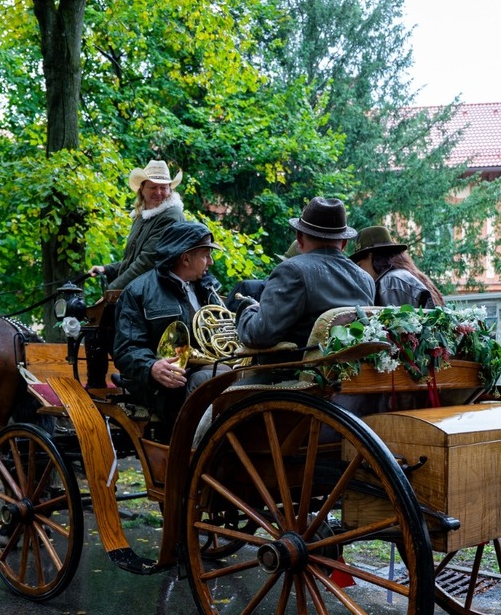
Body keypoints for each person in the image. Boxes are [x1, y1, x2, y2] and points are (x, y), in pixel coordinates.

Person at [112, 221, 228, 437]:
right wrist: (152, 367)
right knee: (212, 379)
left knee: (242, 376)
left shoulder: (207, 289)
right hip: (161, 387)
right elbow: (126, 349)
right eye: (205, 255)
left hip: (200, 372)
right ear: (185, 258)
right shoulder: (138, 291)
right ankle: (193, 453)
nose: (210, 262)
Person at [235, 197, 375, 351]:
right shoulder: (366, 279)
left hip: (290, 372)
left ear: (299, 238)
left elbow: (259, 335)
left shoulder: (292, 270)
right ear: (343, 243)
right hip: (348, 373)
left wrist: (249, 309)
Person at [93, 159, 186, 291]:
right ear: (142, 188)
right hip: (140, 291)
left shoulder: (170, 217)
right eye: (153, 187)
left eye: (163, 188)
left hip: (157, 295)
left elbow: (146, 263)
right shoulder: (142, 216)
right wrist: (107, 269)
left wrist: (112, 292)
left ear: (169, 189)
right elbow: (133, 260)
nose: (158, 192)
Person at [349, 226, 444, 308]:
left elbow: (393, 327)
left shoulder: (390, 283)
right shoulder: (403, 275)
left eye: (360, 265)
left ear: (370, 256)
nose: (360, 270)